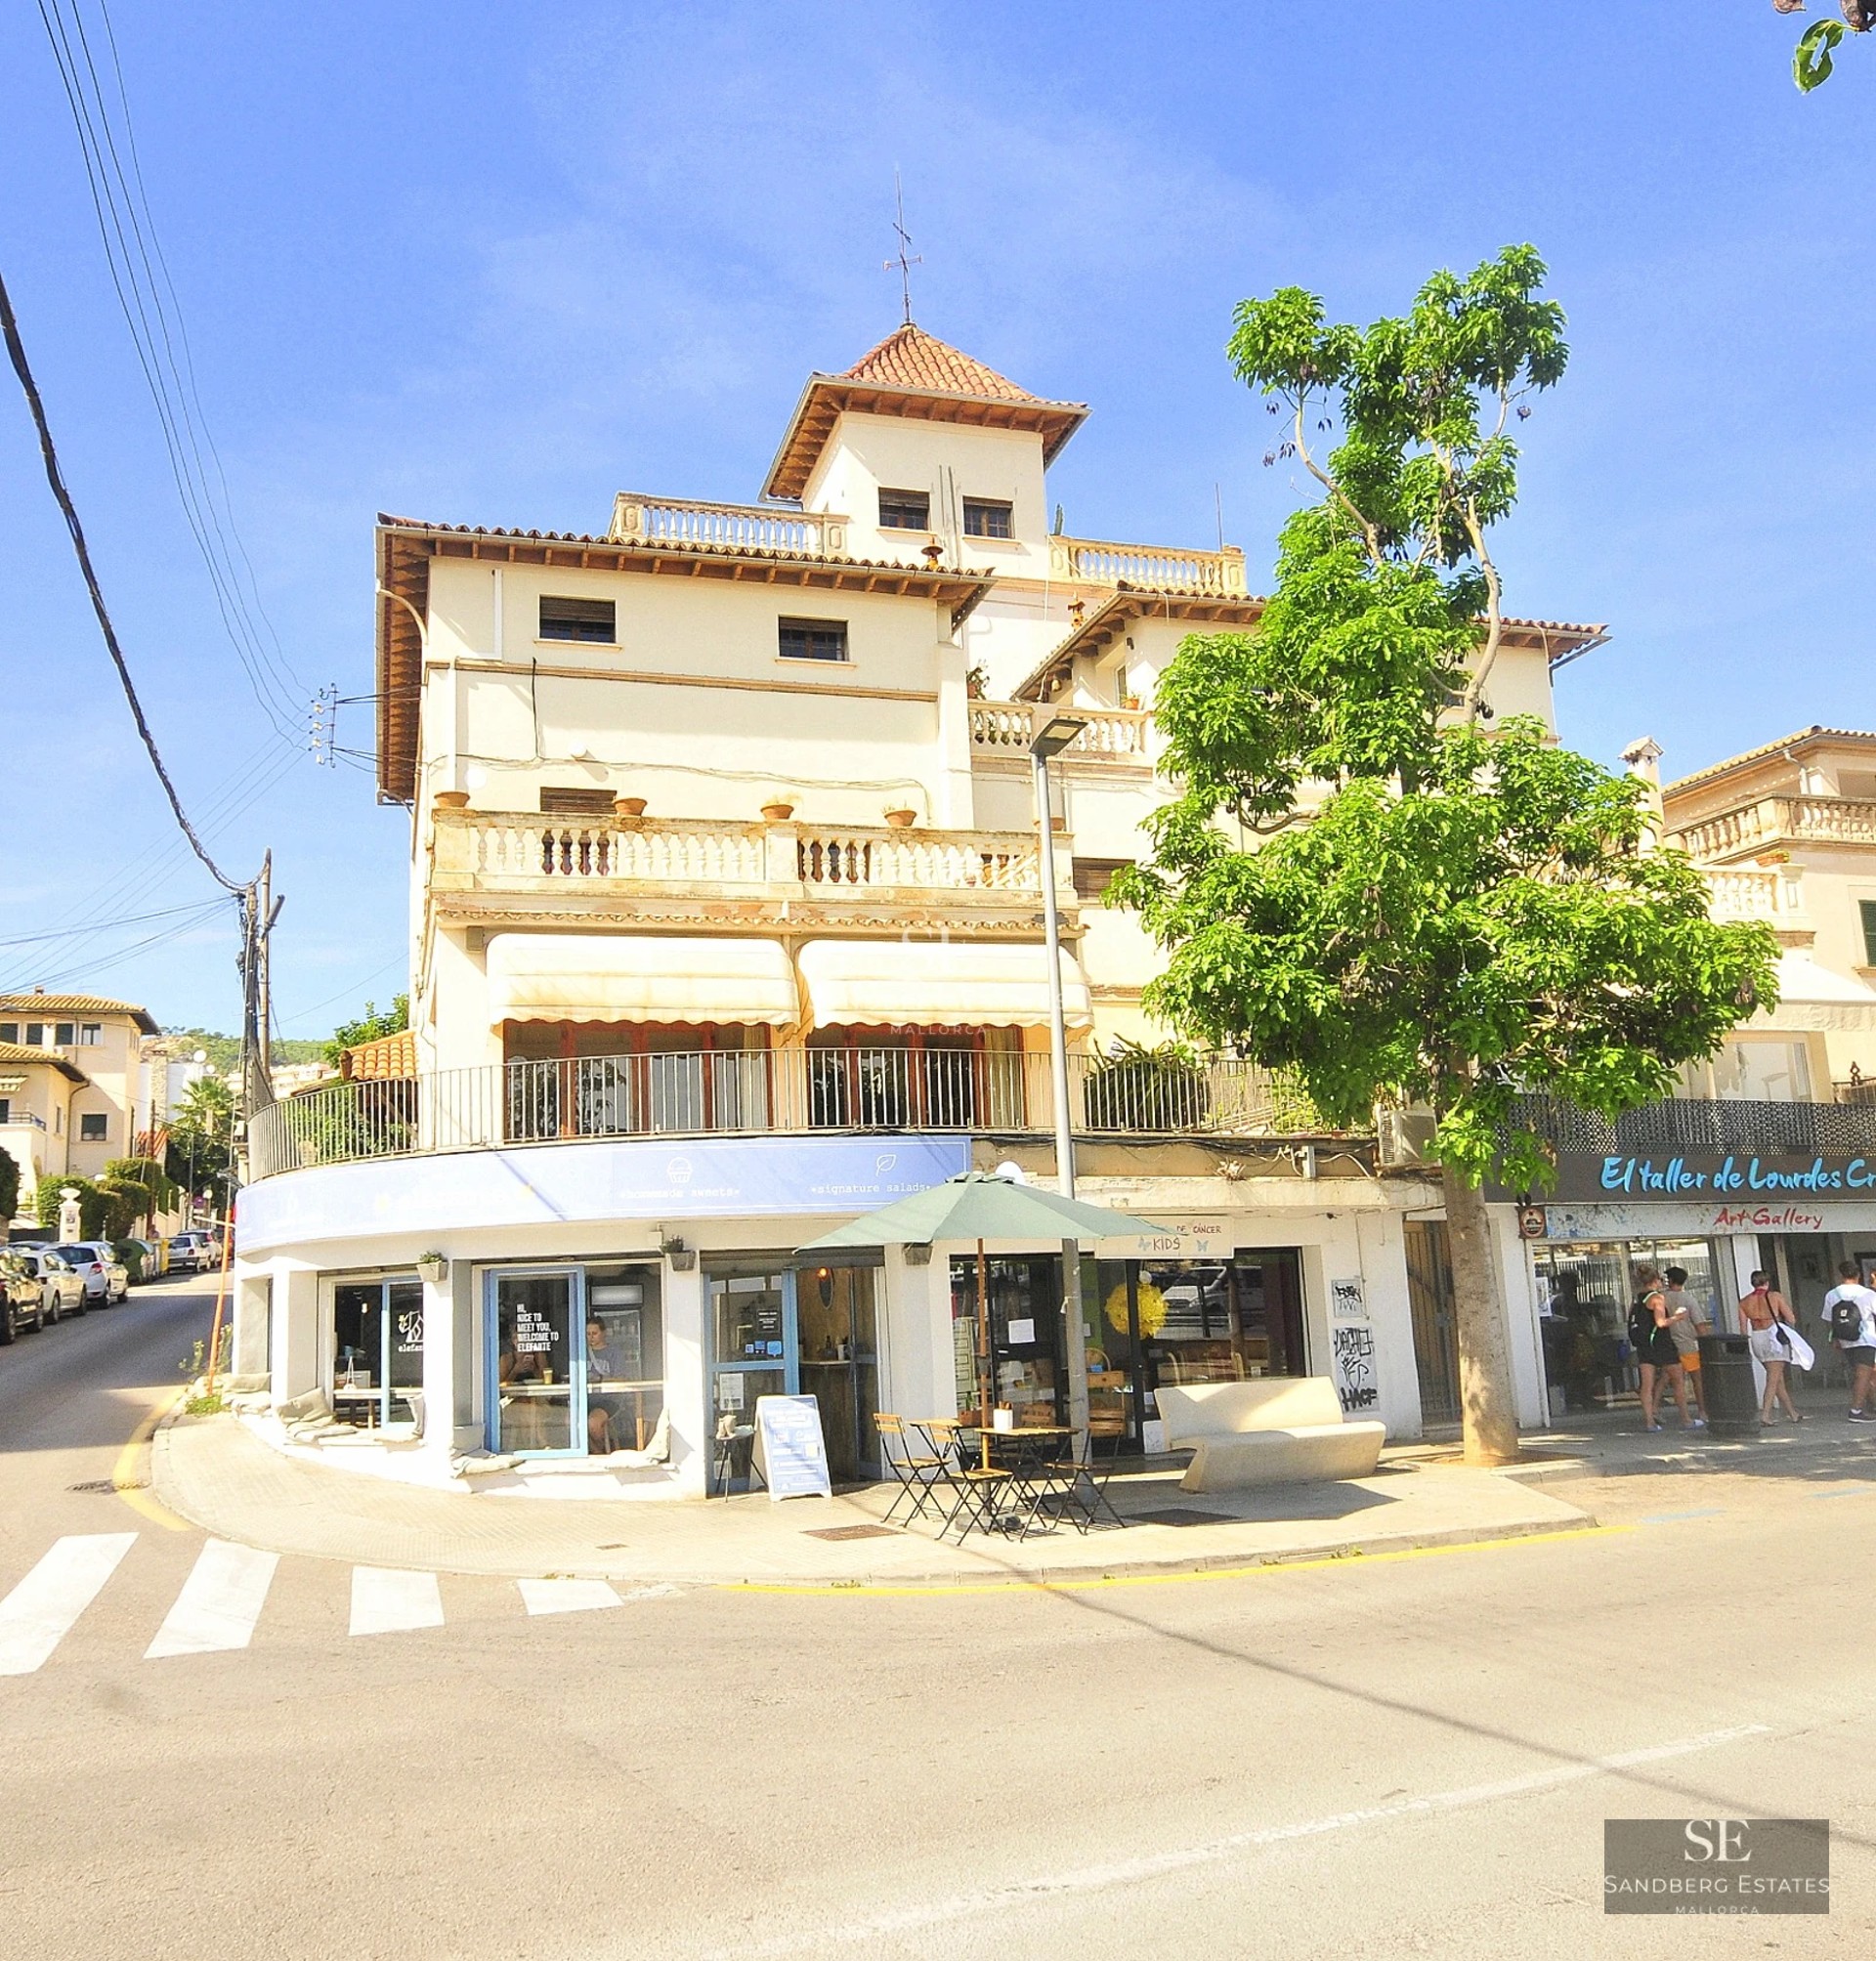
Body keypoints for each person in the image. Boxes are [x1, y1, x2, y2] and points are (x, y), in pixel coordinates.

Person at [1629, 1266, 1693, 1431]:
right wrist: (1678, 1317)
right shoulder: (1657, 1298)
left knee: (1647, 1385)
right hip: (1662, 1344)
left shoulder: (1636, 1299)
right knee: (1678, 1380)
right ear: (1655, 1281)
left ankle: (1650, 1422)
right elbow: (1661, 1322)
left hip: (1645, 1346)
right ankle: (1686, 1419)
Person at [1738, 1270, 1802, 1426]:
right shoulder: (1775, 1296)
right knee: (1773, 1379)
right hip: (1773, 1336)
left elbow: (1743, 1329)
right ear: (1766, 1282)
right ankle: (1765, 1415)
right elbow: (1791, 1318)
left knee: (1777, 1379)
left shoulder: (1744, 1302)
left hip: (1757, 1337)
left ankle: (1792, 1413)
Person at [1820, 1258, 1876, 1423]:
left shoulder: (1832, 1294)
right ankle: (1856, 1410)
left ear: (1841, 1275)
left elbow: (1828, 1319)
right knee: (1864, 1375)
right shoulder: (1868, 1294)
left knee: (1865, 1374)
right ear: (1858, 1275)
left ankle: (1871, 1404)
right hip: (1866, 1338)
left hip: (1845, 1339)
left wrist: (1834, 1338)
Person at [1661, 1266, 1711, 1424]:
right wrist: (1706, 1343)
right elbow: (1700, 1324)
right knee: (1697, 1379)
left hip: (1668, 1343)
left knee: (1665, 1378)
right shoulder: (1688, 1299)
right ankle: (1703, 1411)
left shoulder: (1660, 1298)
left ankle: (1653, 1409)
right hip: (1688, 1344)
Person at [585, 1316, 625, 1451]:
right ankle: (596, 1453)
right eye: (588, 1334)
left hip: (609, 1399)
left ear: (603, 1333)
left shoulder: (614, 1352)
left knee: (593, 1422)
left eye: (594, 1333)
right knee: (570, 1422)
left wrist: (600, 1379)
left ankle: (600, 1452)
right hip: (586, 1399)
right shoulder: (581, 1352)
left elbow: (621, 1379)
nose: (591, 1337)